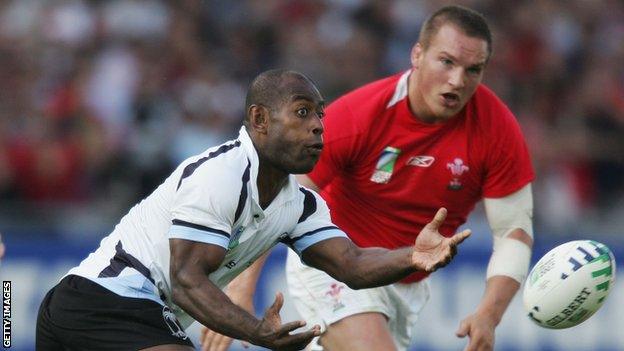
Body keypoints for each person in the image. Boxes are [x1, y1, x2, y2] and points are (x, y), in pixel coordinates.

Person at [35, 69, 471, 351]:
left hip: (138, 315)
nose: (319, 124)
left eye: (320, 114)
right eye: (302, 113)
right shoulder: (220, 174)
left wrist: (411, 256)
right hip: (100, 302)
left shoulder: (298, 203)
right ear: (259, 119)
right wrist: (256, 331)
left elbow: (351, 263)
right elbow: (187, 280)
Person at [201, 5, 534, 351]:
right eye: (446, 62)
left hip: (407, 285)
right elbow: (280, 197)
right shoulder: (359, 116)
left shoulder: (497, 131)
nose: (457, 80)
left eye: (473, 69)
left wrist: (489, 315)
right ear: (417, 54)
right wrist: (240, 288)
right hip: (334, 262)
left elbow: (514, 232)